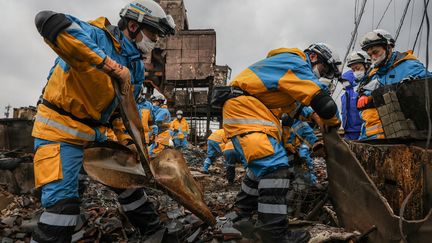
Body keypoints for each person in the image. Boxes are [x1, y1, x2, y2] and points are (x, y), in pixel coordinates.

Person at [31, 1, 175, 241]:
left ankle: (154, 233)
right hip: (60, 133)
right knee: (62, 210)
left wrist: (132, 148)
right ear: (132, 26)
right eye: (153, 34)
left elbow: (121, 114)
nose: (155, 41)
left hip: (97, 135)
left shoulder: (136, 67)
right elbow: (47, 20)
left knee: (129, 182)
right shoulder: (96, 36)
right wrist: (111, 66)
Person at [223, 43, 341, 242]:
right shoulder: (294, 62)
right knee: (275, 168)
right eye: (324, 69)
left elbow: (293, 108)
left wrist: (312, 115)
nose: (321, 75)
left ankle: (240, 213)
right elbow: (322, 101)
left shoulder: (283, 70)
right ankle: (274, 233)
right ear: (313, 57)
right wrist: (332, 123)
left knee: (261, 166)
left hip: (251, 110)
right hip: (247, 110)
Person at [357, 29, 430, 140]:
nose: (373, 57)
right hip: (381, 134)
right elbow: (367, 90)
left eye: (376, 52)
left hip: (411, 134)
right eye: (370, 54)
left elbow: (427, 86)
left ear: (389, 47)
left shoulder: (408, 65)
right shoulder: (374, 74)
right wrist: (365, 95)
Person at [339, 70, 362, 140]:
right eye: (342, 81)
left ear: (352, 79)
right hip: (347, 131)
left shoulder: (358, 93)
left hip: (359, 130)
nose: (344, 83)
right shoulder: (342, 97)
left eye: (345, 80)